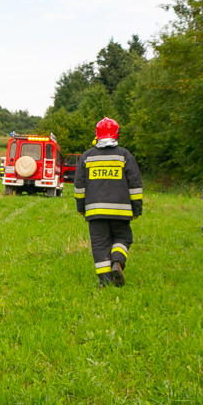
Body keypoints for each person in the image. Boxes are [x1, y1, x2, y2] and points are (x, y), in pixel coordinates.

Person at [73, 117, 143, 287]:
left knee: (100, 245)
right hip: (121, 211)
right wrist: (136, 209)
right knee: (123, 237)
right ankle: (117, 262)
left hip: (95, 212)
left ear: (97, 135)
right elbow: (135, 185)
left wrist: (81, 208)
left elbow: (79, 187)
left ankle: (105, 282)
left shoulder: (86, 157)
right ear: (116, 134)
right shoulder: (125, 155)